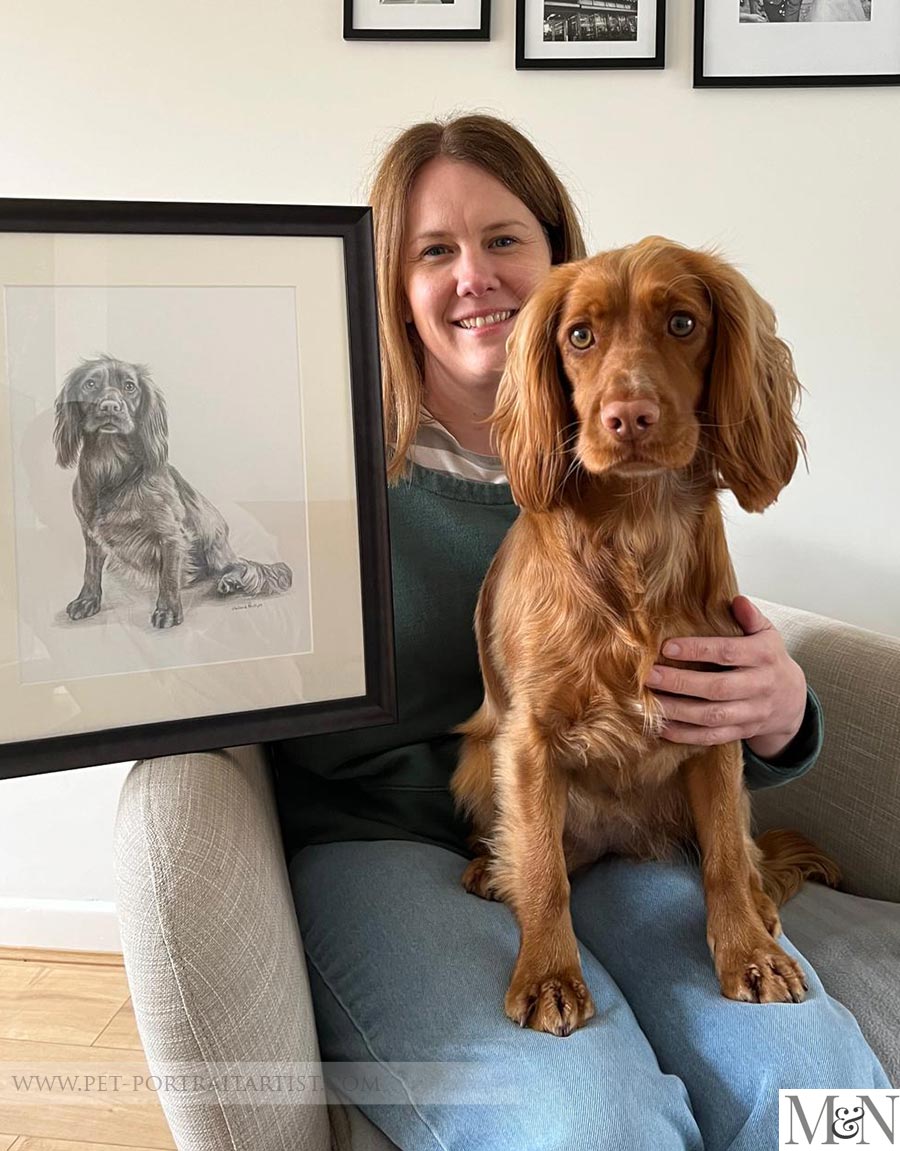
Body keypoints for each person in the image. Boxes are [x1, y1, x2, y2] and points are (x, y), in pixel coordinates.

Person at [270, 113, 888, 1151]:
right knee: (591, 1122)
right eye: (435, 249)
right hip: (386, 843)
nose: (475, 275)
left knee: (827, 1096)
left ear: (559, 248)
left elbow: (684, 705)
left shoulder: (670, 493)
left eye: (504, 239)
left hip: (619, 827)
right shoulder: (309, 460)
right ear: (393, 278)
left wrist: (781, 713)